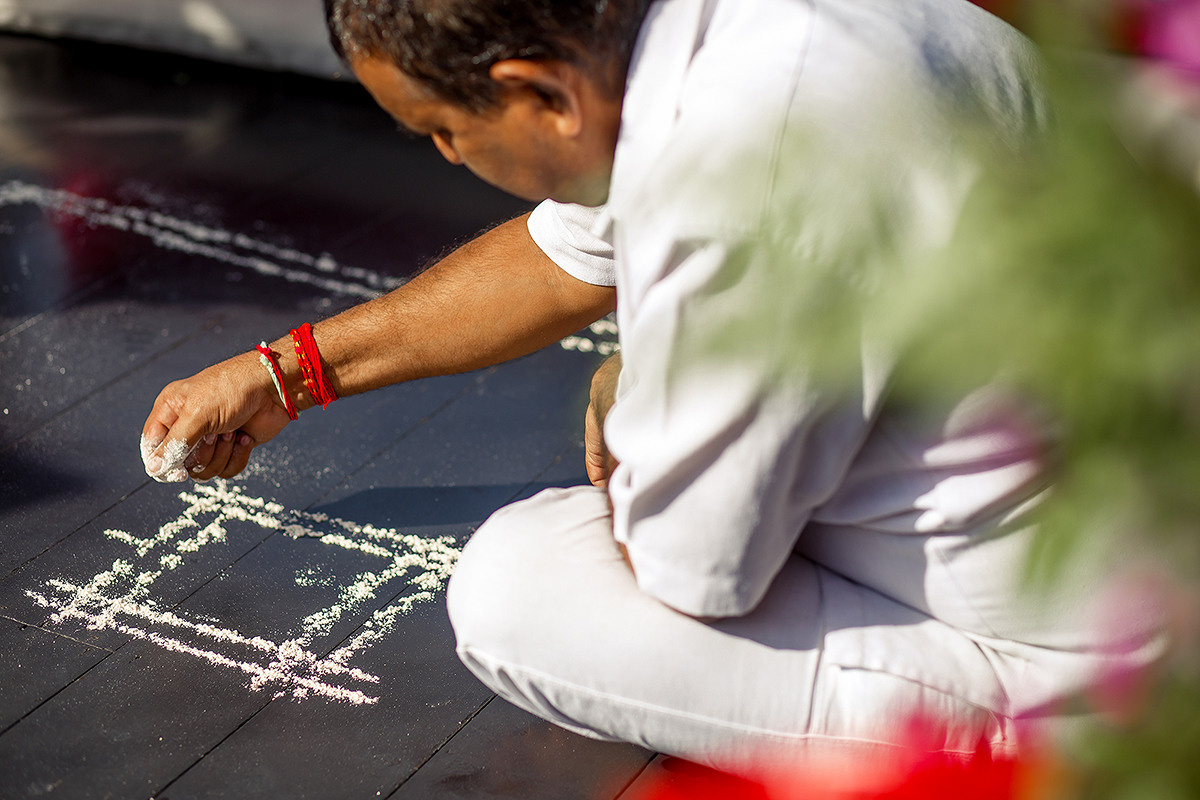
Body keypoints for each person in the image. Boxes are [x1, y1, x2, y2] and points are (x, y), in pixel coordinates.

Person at [141, 0, 1164, 771]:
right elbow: (564, 258)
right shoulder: (710, 37)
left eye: (440, 126)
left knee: (516, 588)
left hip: (1106, 638)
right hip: (1144, 475)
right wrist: (285, 373)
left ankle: (1039, 734)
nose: (446, 155)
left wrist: (639, 391)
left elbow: (696, 571)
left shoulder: (740, 183)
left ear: (543, 93)